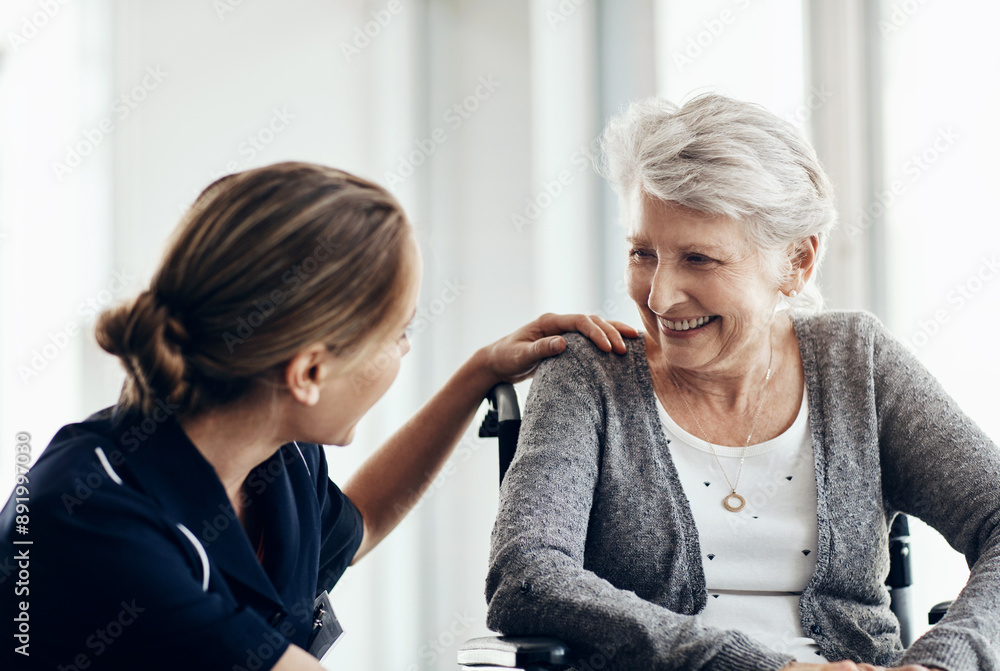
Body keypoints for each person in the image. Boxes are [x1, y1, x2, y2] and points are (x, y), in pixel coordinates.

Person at [0, 162, 638, 671]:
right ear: (307, 373)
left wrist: (479, 375)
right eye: (399, 333)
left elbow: (358, 526)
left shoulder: (276, 452)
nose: (405, 352)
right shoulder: (91, 518)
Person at [485, 94, 1000, 671]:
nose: (658, 297)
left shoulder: (860, 365)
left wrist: (939, 663)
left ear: (797, 262)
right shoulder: (587, 375)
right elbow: (526, 575)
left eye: (700, 259)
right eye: (643, 253)